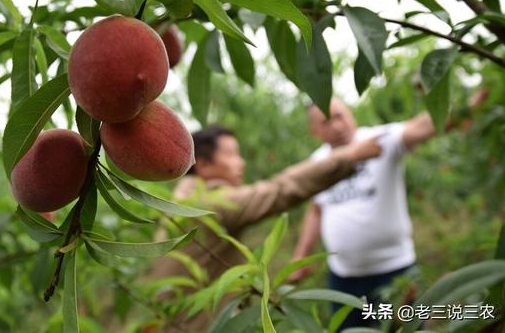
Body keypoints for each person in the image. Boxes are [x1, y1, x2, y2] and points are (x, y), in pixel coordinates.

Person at [147, 125, 382, 331]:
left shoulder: (179, 203)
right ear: (204, 164)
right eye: (231, 154)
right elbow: (279, 190)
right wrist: (346, 157)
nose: (241, 162)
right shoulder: (209, 205)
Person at [287, 94, 487, 329]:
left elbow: (422, 127)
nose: (337, 126)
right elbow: (317, 210)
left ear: (351, 114)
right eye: (326, 121)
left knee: (404, 329)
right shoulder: (318, 162)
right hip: (343, 279)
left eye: (339, 116)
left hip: (394, 272)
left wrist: (469, 104)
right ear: (314, 131)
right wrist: (301, 255)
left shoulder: (379, 140)